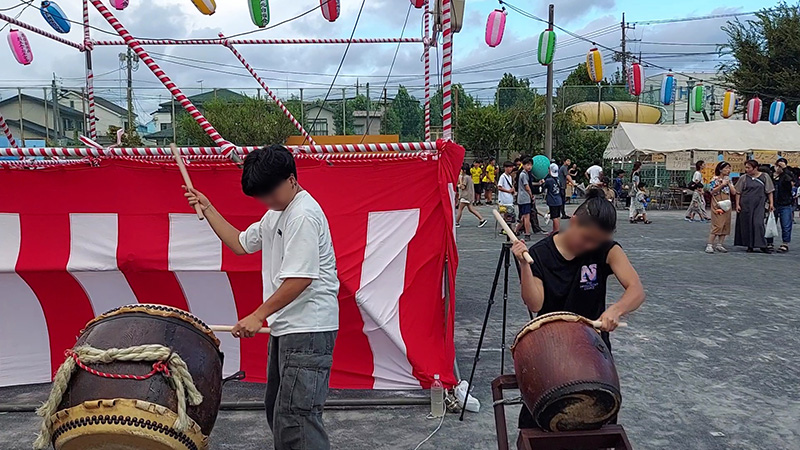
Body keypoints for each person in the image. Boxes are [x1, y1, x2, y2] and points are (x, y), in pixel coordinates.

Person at [183, 145, 339, 449]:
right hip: (289, 328)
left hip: (308, 328)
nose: (267, 201)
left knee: (297, 417)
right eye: (261, 196)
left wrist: (258, 315)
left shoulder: (303, 215)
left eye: (271, 192)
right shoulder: (276, 214)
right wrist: (209, 207)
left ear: (291, 179)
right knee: (280, 412)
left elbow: (301, 278)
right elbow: (240, 244)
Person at [511, 188, 646, 429]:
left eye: (597, 241)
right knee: (542, 422)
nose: (590, 245)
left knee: (597, 420)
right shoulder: (541, 254)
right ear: (573, 222)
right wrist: (524, 265)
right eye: (587, 238)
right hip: (551, 349)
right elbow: (535, 303)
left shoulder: (606, 249)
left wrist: (616, 310)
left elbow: (636, 289)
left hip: (592, 347)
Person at [734, 159, 774, 253]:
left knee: (758, 223)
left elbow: (769, 191)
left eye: (749, 167)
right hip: (746, 203)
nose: (747, 169)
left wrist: (771, 203)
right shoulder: (743, 178)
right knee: (747, 224)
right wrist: (737, 204)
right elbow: (738, 192)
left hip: (759, 203)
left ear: (755, 168)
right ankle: (749, 244)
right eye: (746, 167)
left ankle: (762, 244)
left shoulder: (764, 176)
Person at [705, 161, 736, 253]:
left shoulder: (729, 180)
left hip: (727, 203)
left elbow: (734, 192)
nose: (728, 170)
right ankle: (710, 244)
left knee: (725, 224)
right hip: (717, 203)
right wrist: (722, 184)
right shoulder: (714, 179)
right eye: (726, 168)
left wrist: (729, 183)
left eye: (729, 168)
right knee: (717, 224)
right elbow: (712, 191)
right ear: (720, 169)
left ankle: (720, 244)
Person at [768, 158, 793, 253]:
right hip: (772, 203)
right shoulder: (770, 176)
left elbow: (791, 181)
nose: (778, 168)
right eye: (777, 165)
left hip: (785, 203)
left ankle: (785, 243)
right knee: (770, 223)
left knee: (786, 224)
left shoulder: (786, 176)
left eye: (781, 166)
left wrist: (785, 169)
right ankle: (769, 242)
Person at [456, 164, 488, 228]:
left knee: (460, 209)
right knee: (471, 209)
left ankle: (456, 222)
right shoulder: (469, 177)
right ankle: (482, 219)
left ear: (464, 170)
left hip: (465, 196)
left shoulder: (465, 177)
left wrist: (458, 185)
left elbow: (463, 187)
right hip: (469, 196)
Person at [516, 158, 534, 239]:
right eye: (527, 165)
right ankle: (527, 233)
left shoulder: (525, 174)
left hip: (521, 198)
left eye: (530, 165)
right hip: (525, 198)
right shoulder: (523, 174)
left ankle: (516, 230)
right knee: (527, 217)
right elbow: (527, 187)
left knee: (523, 216)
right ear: (523, 165)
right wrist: (531, 195)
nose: (529, 166)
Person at [543, 163, 564, 233]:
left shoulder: (549, 180)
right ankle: (555, 230)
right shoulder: (558, 179)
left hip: (552, 200)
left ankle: (556, 232)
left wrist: (542, 182)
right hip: (559, 200)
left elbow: (544, 187)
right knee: (557, 216)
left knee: (554, 217)